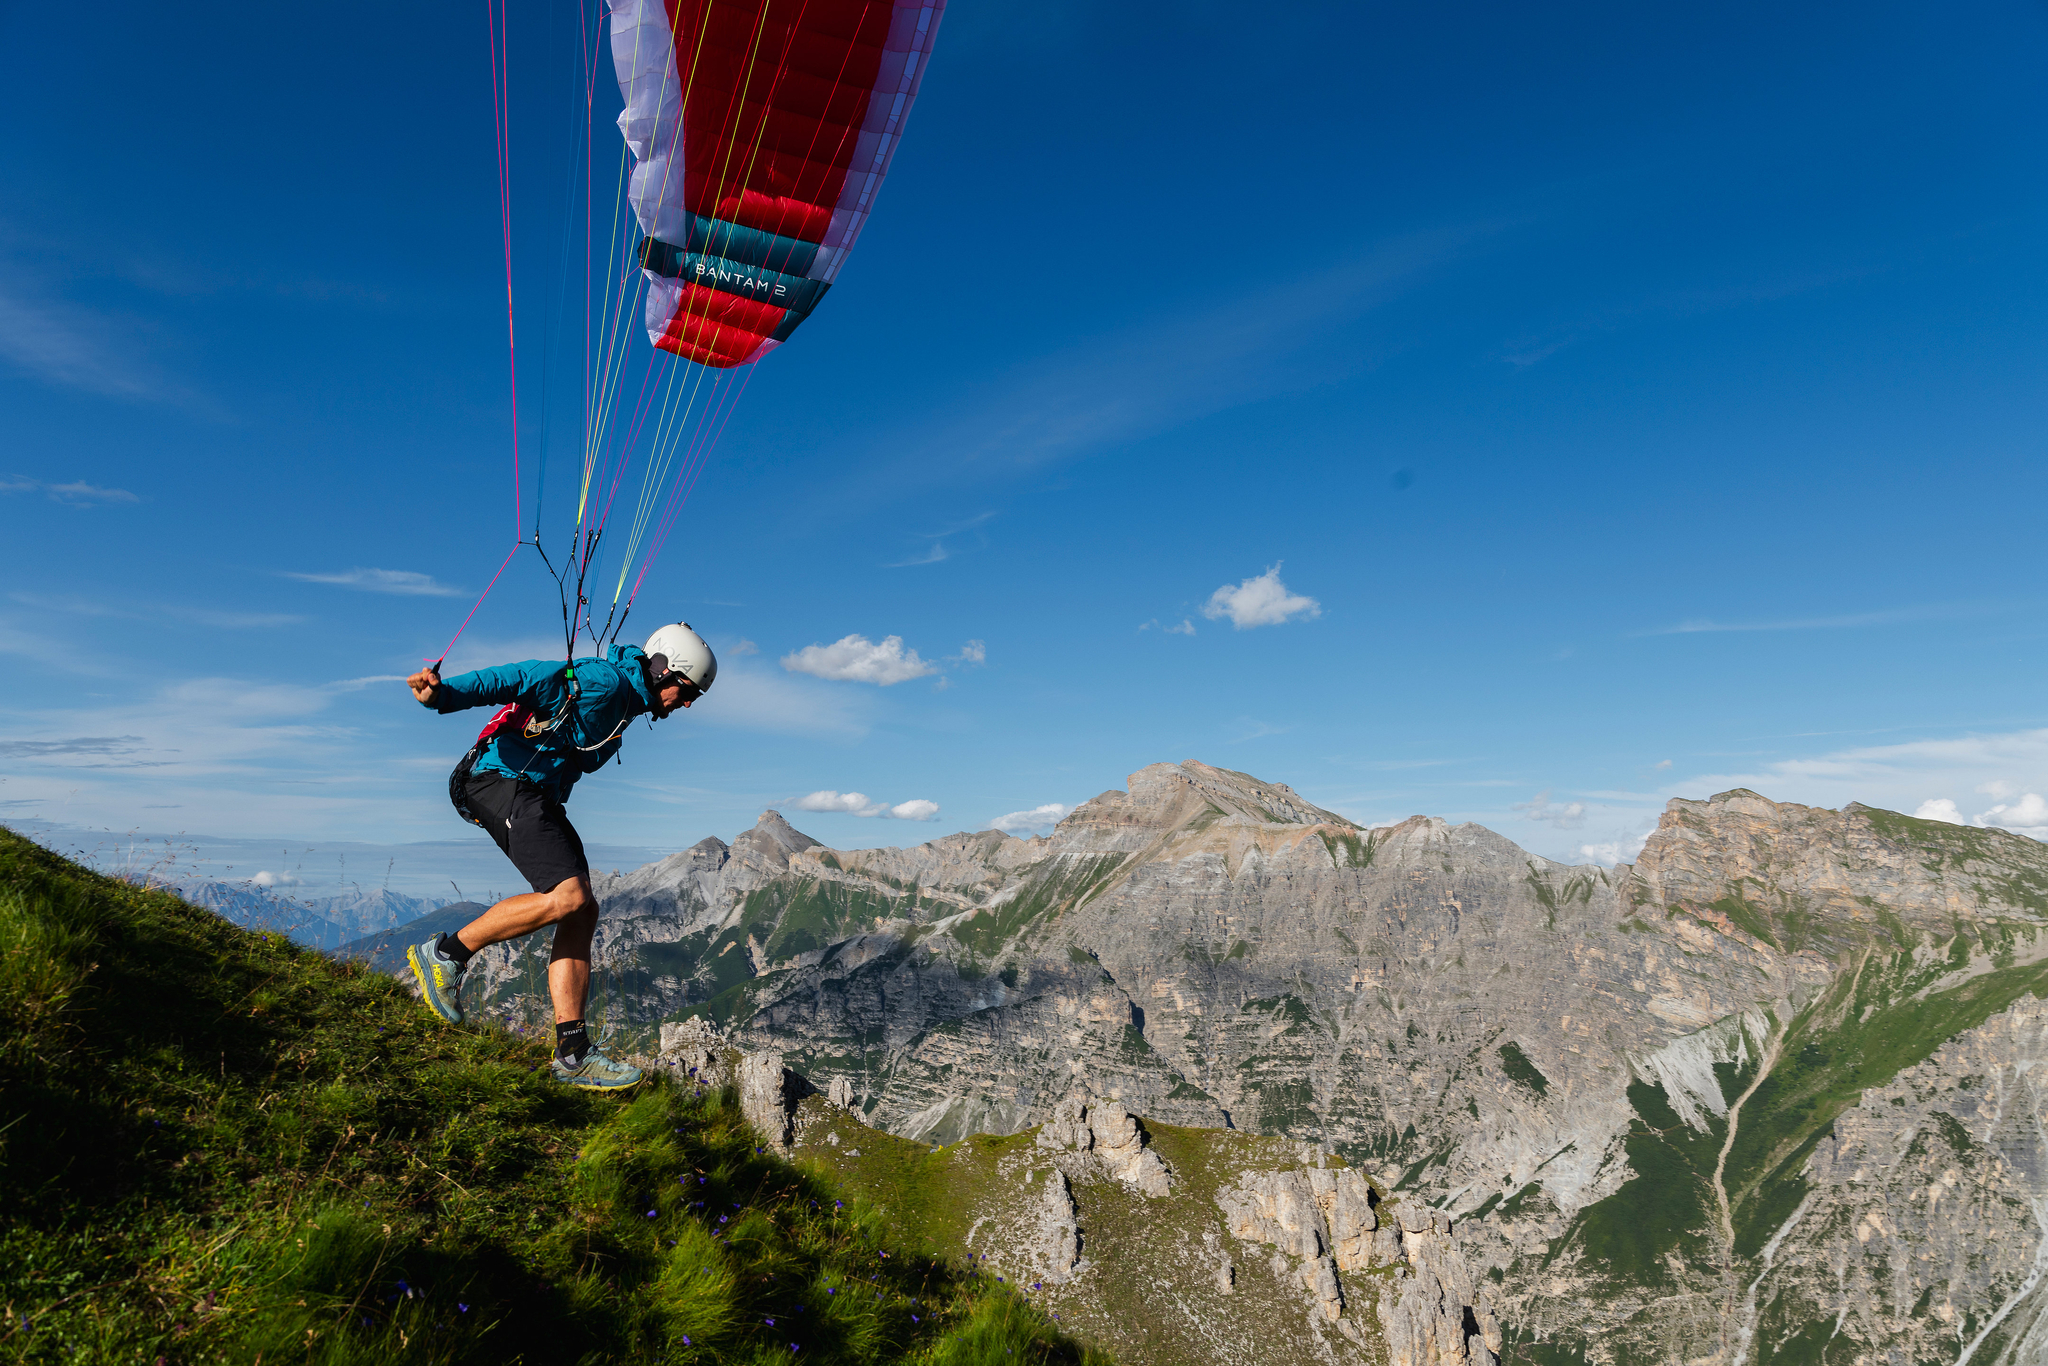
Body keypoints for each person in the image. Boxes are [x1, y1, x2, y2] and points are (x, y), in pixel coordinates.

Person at [401, 622, 717, 1090]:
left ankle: (573, 1053)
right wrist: (445, 696)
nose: (687, 703)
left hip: (534, 794)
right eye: (687, 690)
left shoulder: (624, 706)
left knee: (583, 908)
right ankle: (445, 956)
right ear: (663, 669)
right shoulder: (603, 683)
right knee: (568, 896)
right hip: (500, 780)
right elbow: (522, 677)